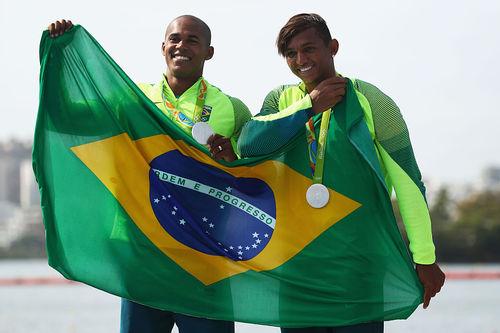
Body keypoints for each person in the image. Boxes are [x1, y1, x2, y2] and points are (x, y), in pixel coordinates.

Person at [237, 13, 445, 333]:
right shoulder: (281, 100)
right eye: (291, 54)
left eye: (309, 49)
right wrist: (309, 105)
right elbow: (250, 144)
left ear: (332, 47)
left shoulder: (373, 102)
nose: (301, 60)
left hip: (357, 271)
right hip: (296, 272)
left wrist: (425, 257)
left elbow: (409, 184)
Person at [48, 15, 251, 333]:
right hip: (143, 256)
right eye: (175, 39)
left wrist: (229, 159)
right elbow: (66, 119)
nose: (181, 45)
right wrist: (59, 56)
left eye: (192, 40)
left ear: (209, 52)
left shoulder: (232, 108)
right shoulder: (130, 100)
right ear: (163, 47)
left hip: (203, 258)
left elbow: (255, 173)